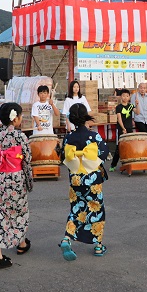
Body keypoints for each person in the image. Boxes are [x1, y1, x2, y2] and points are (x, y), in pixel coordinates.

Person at [0, 102, 34, 268]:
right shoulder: (21, 137)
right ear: (16, 119)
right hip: (15, 177)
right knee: (19, 210)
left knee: (3, 211)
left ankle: (20, 242)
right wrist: (29, 180)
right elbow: (27, 159)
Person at [59, 103, 109, 261]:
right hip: (92, 179)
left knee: (76, 209)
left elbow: (63, 157)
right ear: (86, 116)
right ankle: (99, 246)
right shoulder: (94, 136)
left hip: (75, 179)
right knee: (96, 209)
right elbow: (104, 152)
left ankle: (67, 238)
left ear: (71, 119)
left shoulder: (68, 137)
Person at [109, 89, 140, 172]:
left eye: (127, 96)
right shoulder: (118, 107)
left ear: (129, 97)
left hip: (129, 128)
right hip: (121, 129)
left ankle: (128, 164)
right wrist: (123, 128)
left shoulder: (130, 106)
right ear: (120, 97)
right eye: (123, 96)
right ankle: (113, 165)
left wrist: (137, 105)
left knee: (129, 147)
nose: (125, 97)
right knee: (119, 147)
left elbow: (137, 112)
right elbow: (119, 119)